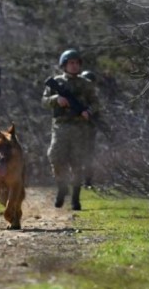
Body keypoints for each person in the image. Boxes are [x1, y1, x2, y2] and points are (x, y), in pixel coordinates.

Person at [42, 49, 100, 211]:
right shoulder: (56, 82)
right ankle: (62, 187)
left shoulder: (86, 84)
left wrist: (88, 111)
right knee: (55, 157)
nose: (74, 66)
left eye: (76, 63)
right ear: (64, 65)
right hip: (60, 127)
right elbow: (44, 101)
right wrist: (56, 99)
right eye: (70, 63)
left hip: (80, 128)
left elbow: (96, 103)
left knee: (77, 163)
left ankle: (75, 197)